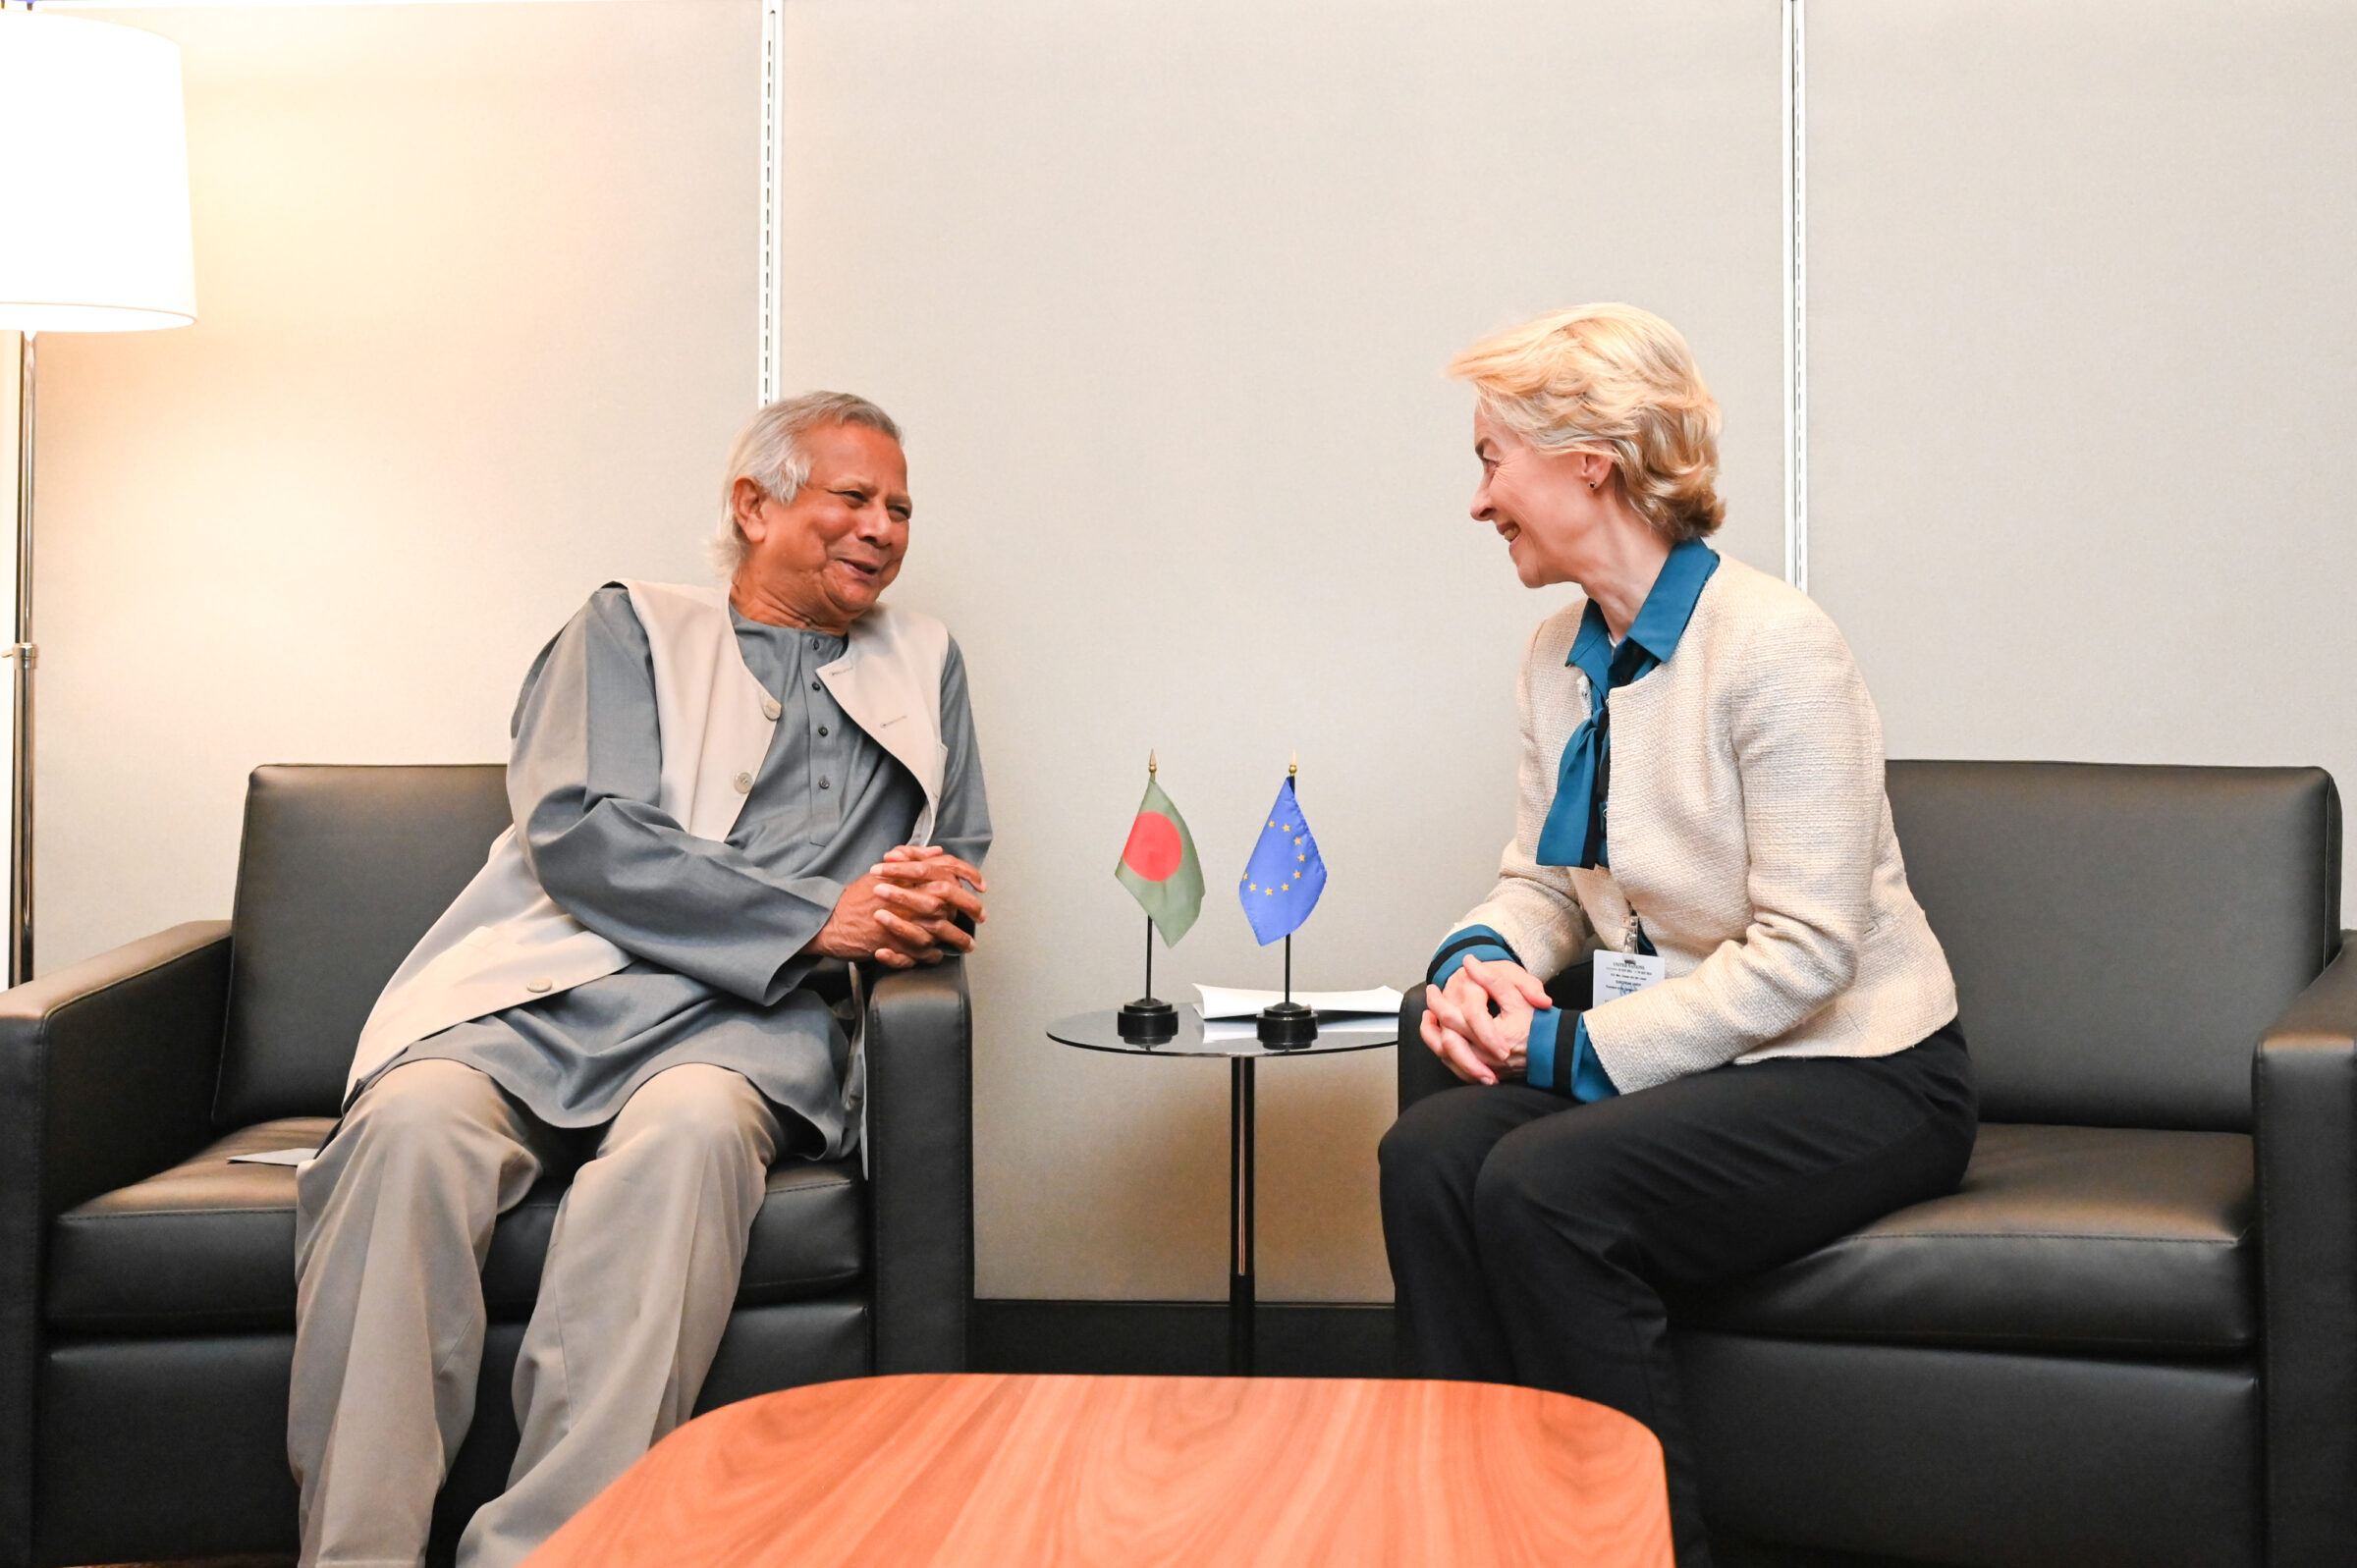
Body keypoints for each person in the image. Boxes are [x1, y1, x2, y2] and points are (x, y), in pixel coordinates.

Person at [289, 392, 990, 1568]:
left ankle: (553, 1550)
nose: (883, 527)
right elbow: (583, 833)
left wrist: (937, 901)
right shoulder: (629, 627)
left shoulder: (925, 659)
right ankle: (357, 1552)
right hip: (545, 991)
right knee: (409, 1131)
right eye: (854, 497)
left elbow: (954, 848)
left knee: (690, 1140)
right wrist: (822, 913)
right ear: (754, 505)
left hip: (744, 1026)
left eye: (901, 507)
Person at [1378, 305, 1976, 1568]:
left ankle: (1635, 1551)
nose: (1478, 500)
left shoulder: (1777, 646)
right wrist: (1476, 964)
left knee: (1546, 1186)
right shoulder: (1557, 654)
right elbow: (1548, 882)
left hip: (1859, 1073)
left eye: (1491, 460)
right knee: (1427, 1156)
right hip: (1693, 1058)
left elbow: (1810, 952)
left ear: (1588, 463)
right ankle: (1473, 1536)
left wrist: (1568, 1049)